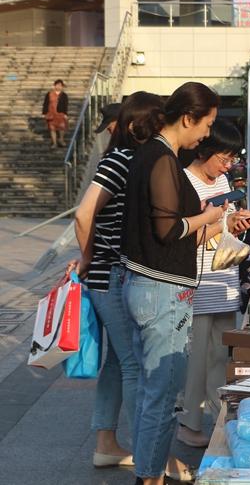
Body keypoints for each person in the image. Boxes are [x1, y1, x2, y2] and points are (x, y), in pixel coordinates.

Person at [121, 82, 225, 485]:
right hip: (160, 291)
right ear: (188, 118)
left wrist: (209, 223)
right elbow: (168, 230)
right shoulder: (162, 158)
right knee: (161, 397)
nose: (207, 134)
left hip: (146, 285)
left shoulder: (150, 155)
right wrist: (208, 217)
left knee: (152, 393)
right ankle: (150, 477)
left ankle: (149, 473)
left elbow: (164, 230)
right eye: (207, 124)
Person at [64, 92, 163, 469]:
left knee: (118, 363)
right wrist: (88, 257)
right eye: (158, 121)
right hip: (111, 276)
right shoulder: (121, 159)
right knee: (134, 363)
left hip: (109, 275)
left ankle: (106, 443)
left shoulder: (127, 158)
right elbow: (83, 214)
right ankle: (147, 453)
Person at [177, 120, 250, 448]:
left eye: (232, 160)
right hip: (195, 284)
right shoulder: (184, 181)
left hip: (223, 279)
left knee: (221, 357)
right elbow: (182, 238)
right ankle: (189, 424)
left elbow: (226, 224)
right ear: (204, 151)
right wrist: (218, 224)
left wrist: (235, 223)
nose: (227, 167)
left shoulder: (222, 180)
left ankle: (217, 418)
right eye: (223, 158)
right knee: (196, 358)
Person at [42, 79, 69, 148]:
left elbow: (65, 105)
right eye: (58, 85)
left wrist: (65, 114)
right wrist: (44, 113)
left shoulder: (64, 95)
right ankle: (54, 143)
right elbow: (45, 103)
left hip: (60, 114)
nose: (59, 87)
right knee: (52, 129)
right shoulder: (49, 94)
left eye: (61, 85)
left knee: (62, 127)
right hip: (51, 113)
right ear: (54, 86)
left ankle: (61, 140)